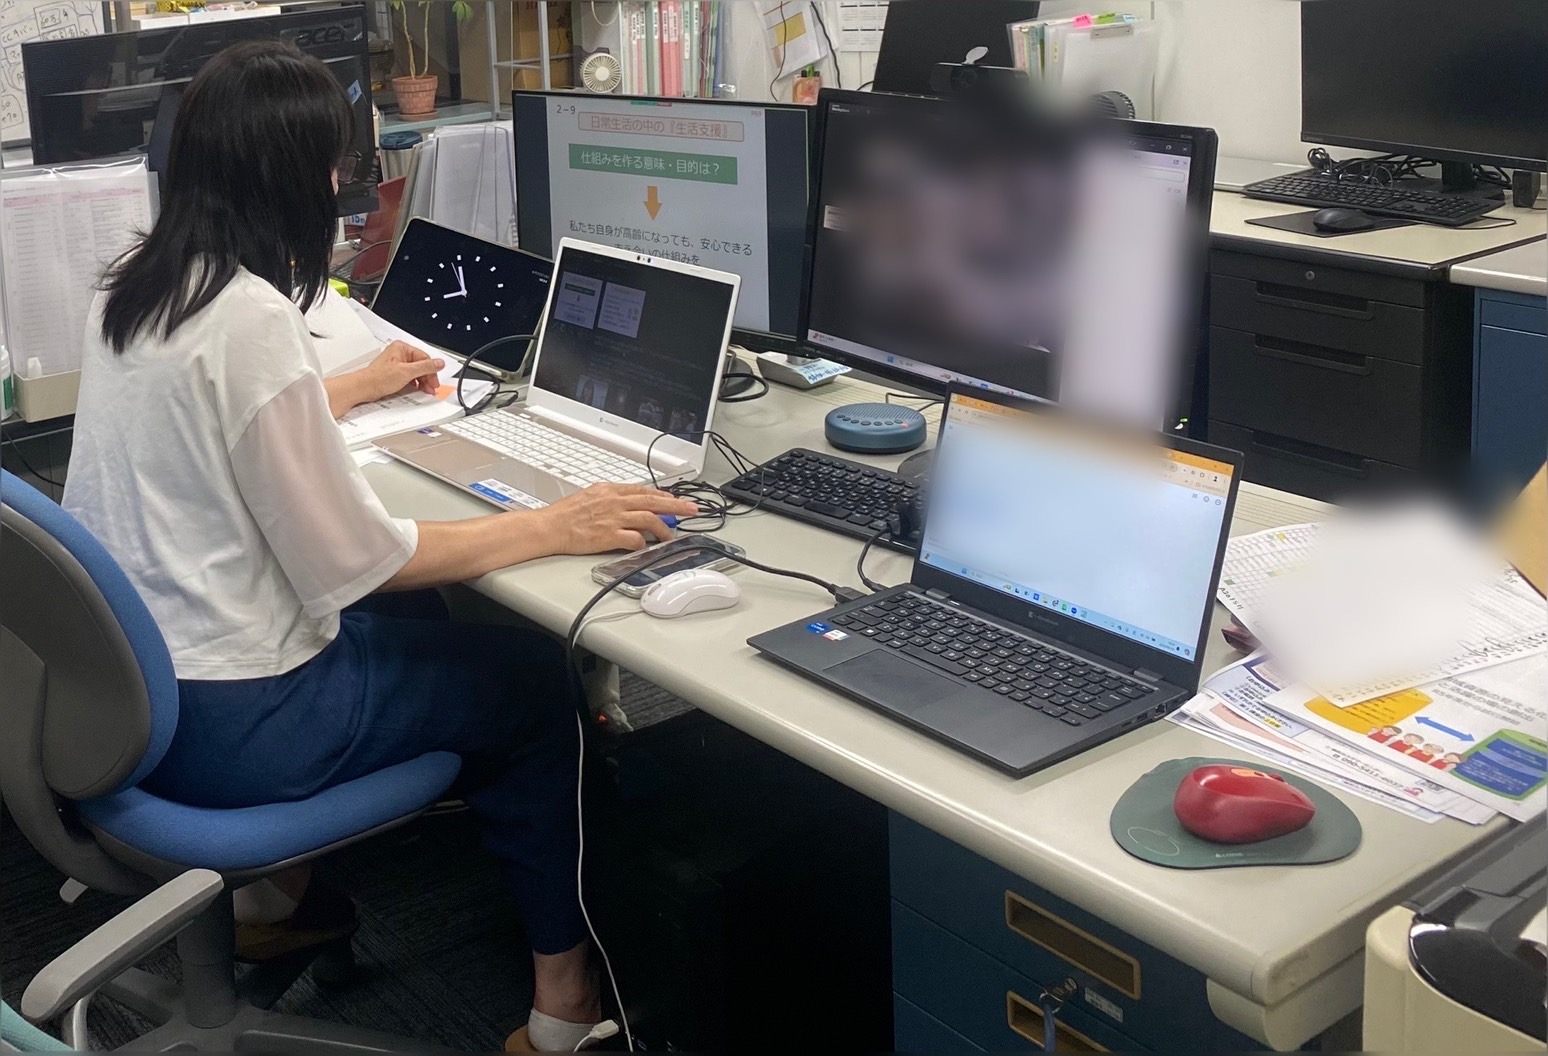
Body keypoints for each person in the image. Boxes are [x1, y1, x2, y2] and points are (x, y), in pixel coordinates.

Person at [62, 40, 696, 1052]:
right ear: (287, 176)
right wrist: (556, 524)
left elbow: (204, 425)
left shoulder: (140, 285)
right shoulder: (250, 320)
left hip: (132, 699)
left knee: (420, 620)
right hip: (237, 724)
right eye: (329, 165)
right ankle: (564, 1009)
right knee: (530, 678)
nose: (337, 187)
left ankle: (279, 902)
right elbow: (362, 561)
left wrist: (348, 389)